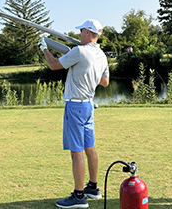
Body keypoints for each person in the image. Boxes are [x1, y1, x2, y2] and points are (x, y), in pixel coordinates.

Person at [38, 19, 109, 208]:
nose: (79, 34)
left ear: (87, 32)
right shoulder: (101, 55)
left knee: (76, 152)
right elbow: (105, 82)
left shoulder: (79, 51)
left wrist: (45, 48)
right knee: (89, 147)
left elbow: (53, 65)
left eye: (81, 31)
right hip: (88, 106)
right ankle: (93, 188)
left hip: (75, 106)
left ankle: (79, 196)